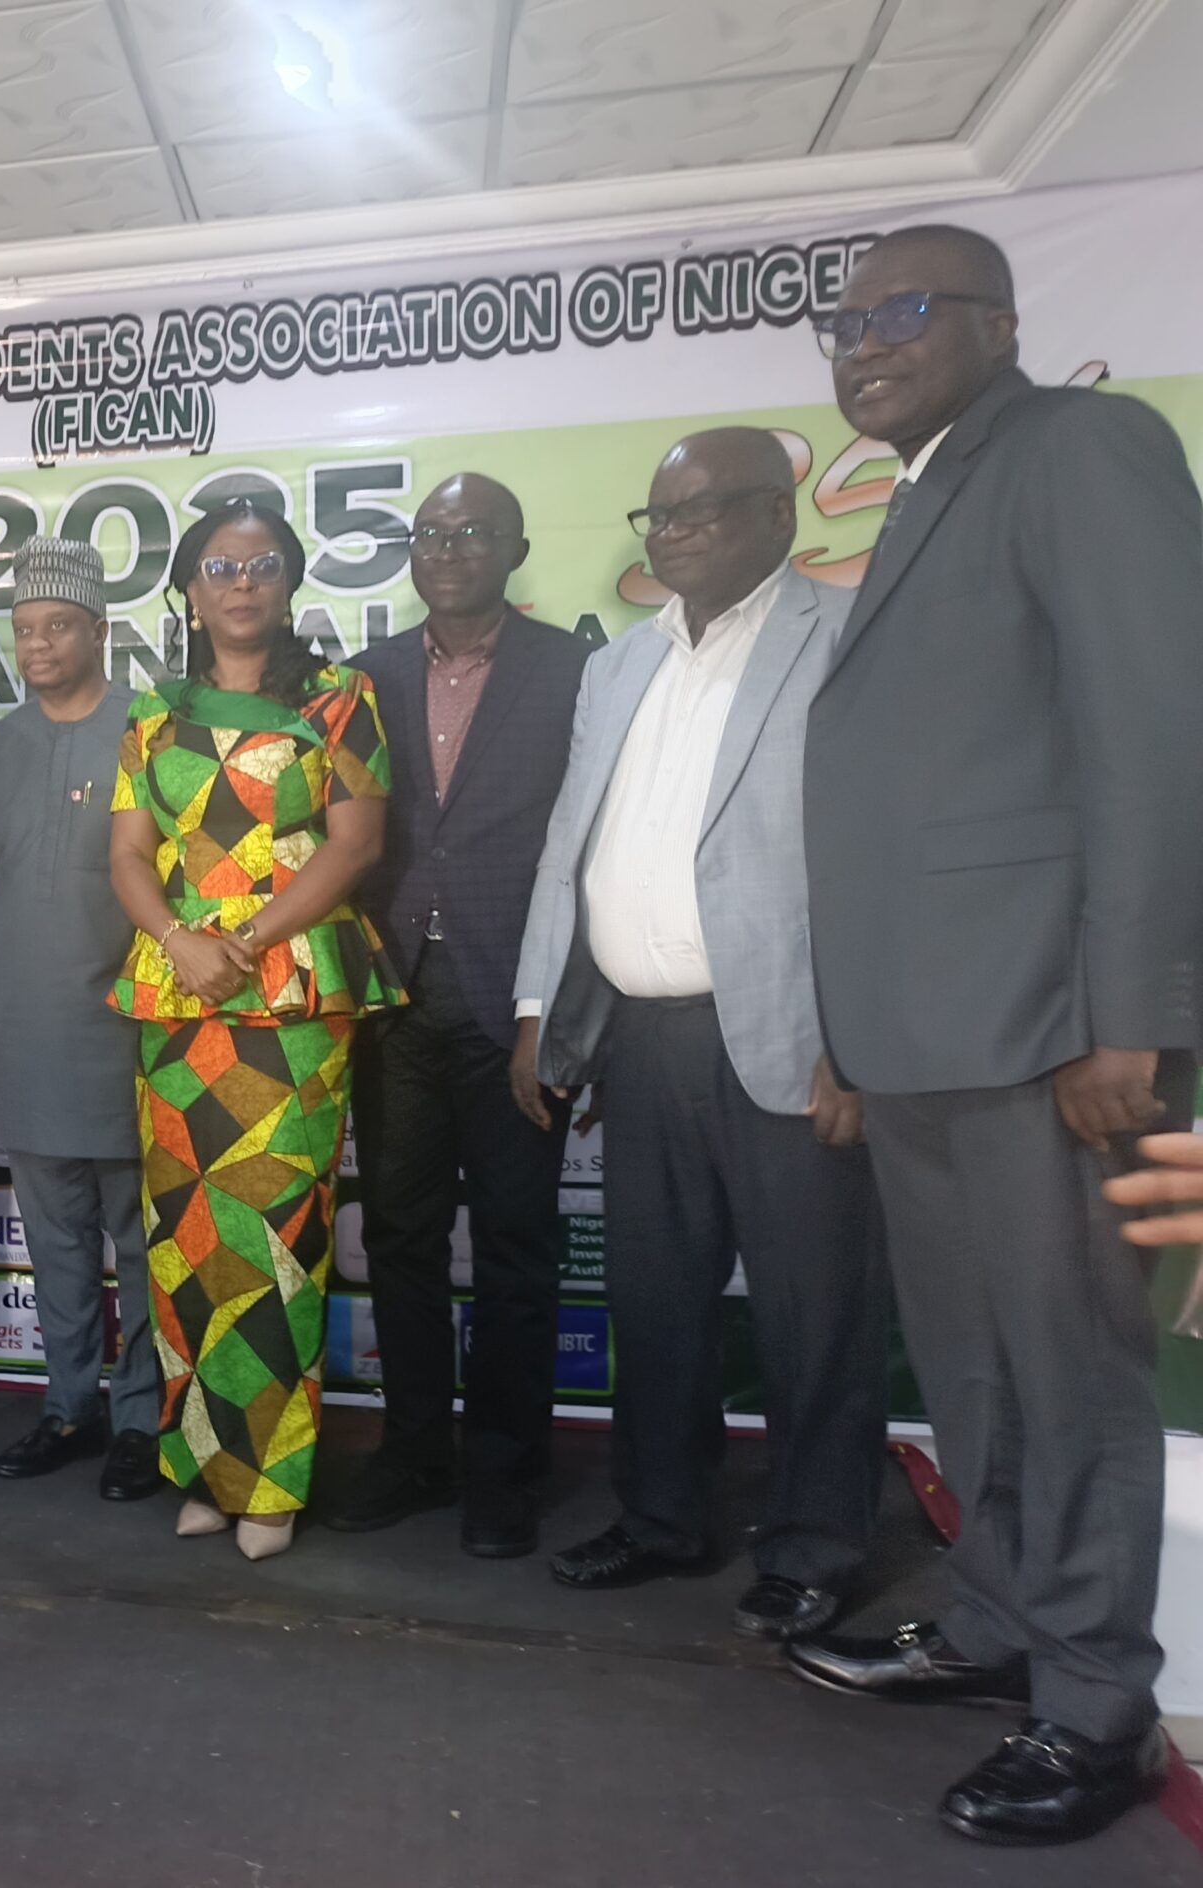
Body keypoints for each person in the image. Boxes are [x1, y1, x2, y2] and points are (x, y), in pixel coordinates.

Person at [785, 224, 1203, 1847]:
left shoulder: (1081, 447)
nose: (866, 344)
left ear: (1003, 322)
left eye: (903, 310)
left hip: (1050, 1033)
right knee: (970, 1367)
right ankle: (1000, 1622)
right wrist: (849, 1025)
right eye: (844, 323)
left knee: (1071, 1374)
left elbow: (1157, 736)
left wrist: (1134, 1014)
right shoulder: (926, 491)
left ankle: (1097, 1710)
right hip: (924, 1035)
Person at [516, 429, 888, 1639]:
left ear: (778, 516)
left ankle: (816, 1543)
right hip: (640, 1035)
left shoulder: (846, 635)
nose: (672, 535)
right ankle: (661, 1516)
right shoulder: (618, 664)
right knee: (655, 1300)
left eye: (700, 511)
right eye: (658, 516)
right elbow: (572, 843)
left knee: (812, 1312)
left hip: (796, 1037)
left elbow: (883, 856)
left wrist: (863, 1038)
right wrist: (537, 1006)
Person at [107, 497, 400, 1563]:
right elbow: (128, 855)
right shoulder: (153, 715)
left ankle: (271, 1482)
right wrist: (179, 941)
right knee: (187, 1238)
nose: (242, 583)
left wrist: (243, 940)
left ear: (287, 586)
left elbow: (356, 845)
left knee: (276, 1239)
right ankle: (202, 1467)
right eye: (221, 568)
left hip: (289, 1001)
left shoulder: (340, 701)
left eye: (262, 565)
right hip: (180, 1000)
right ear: (190, 593)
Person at [338, 473, 590, 1558]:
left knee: (516, 1245)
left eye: (473, 531)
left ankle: (503, 1467)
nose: (448, 549)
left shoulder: (573, 671)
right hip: (393, 1000)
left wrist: (564, 1006)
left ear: (516, 548)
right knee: (398, 1236)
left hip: (514, 1000)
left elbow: (588, 843)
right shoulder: (367, 676)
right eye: (431, 533)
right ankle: (412, 1450)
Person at [0, 537, 159, 1499]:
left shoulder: (151, 731)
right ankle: (69, 1405)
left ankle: (142, 1420)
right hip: (32, 1031)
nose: (38, 645)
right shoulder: (0, 744)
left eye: (57, 627)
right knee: (55, 1242)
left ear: (99, 630)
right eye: (24, 630)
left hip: (129, 1028)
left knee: (141, 1241)